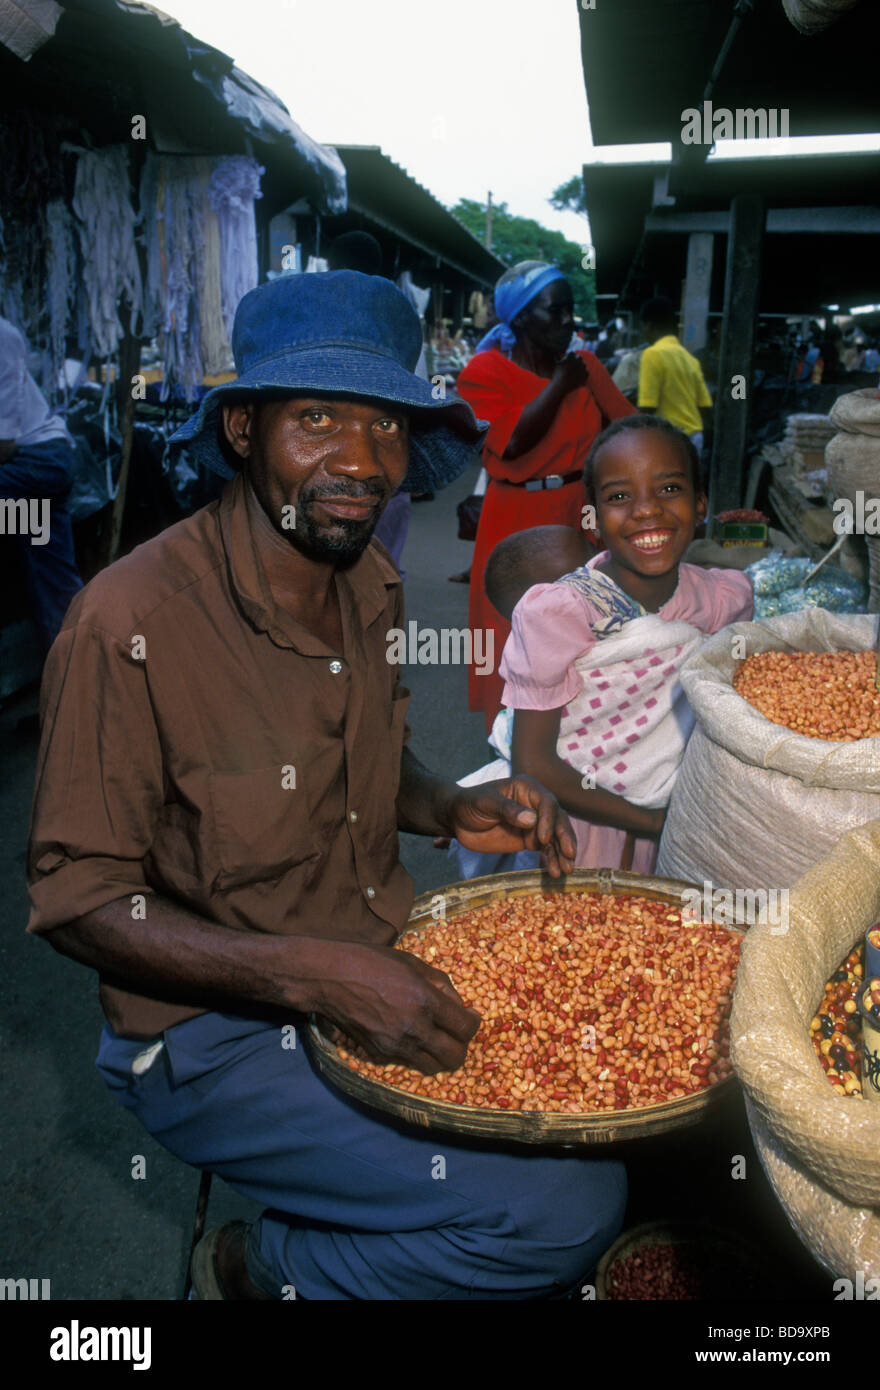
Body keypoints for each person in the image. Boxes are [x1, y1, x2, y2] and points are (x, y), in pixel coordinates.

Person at [26, 270, 628, 1302]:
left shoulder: (368, 582)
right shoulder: (126, 622)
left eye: (388, 427)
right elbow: (78, 899)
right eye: (316, 419)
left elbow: (363, 763)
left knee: (606, 1068)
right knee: (562, 1213)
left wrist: (445, 803)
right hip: (206, 1038)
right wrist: (316, 977)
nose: (361, 462)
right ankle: (270, 1267)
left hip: (370, 956)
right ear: (244, 430)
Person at [502, 415, 753, 874]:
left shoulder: (722, 600)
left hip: (683, 822)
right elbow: (533, 763)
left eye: (669, 489)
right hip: (576, 825)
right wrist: (652, 821)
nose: (646, 510)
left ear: (700, 504)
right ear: (593, 518)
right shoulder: (561, 613)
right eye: (619, 496)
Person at [455, 261, 635, 730]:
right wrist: (560, 387)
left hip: (578, 511)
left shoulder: (585, 366)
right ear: (518, 319)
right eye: (554, 311)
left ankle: (575, 734)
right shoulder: (484, 370)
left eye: (570, 311)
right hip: (514, 512)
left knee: (581, 624)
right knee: (511, 625)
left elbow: (630, 428)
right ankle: (511, 738)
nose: (567, 321)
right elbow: (512, 443)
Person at [443, 525, 597, 881]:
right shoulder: (538, 678)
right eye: (580, 584)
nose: (602, 582)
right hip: (561, 831)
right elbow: (516, 752)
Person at [0, 315, 82, 651]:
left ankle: (81, 667)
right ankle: (77, 664)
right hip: (28, 475)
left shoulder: (4, 337)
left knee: (44, 563)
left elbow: (3, 447)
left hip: (39, 463)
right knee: (46, 570)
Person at [637, 297, 713, 454]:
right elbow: (705, 405)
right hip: (695, 438)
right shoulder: (690, 359)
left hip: (670, 439)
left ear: (649, 325)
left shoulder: (652, 354)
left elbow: (648, 407)